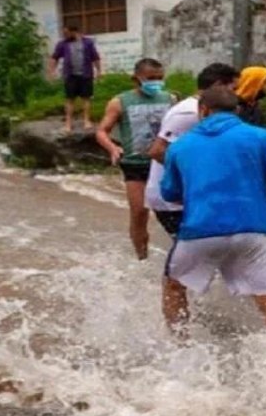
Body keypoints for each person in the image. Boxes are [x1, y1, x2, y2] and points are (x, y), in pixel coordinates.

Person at [160, 87, 266, 334]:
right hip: (255, 231)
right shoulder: (262, 137)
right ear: (238, 110)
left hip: (199, 231)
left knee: (174, 286)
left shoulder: (180, 146)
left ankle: (180, 343)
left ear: (203, 110)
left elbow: (169, 194)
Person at [145, 62, 240, 333]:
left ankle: (201, 318)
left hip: (189, 197)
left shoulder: (206, 113)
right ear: (218, 86)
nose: (237, 93)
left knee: (209, 257)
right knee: (187, 264)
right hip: (174, 200)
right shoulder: (187, 113)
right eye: (233, 87)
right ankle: (180, 333)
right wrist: (198, 181)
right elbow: (158, 150)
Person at [95, 59, 175, 261]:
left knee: (175, 210)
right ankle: (142, 257)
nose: (156, 82)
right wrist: (113, 147)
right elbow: (101, 131)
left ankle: (180, 254)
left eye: (160, 78)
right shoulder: (120, 102)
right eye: (151, 79)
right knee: (139, 212)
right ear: (136, 79)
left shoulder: (171, 99)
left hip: (164, 162)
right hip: (134, 164)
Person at [48, 24, 102, 132]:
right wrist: (51, 71)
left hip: (86, 74)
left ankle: (86, 120)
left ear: (75, 32)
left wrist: (99, 71)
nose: (65, 35)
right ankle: (68, 123)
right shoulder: (62, 44)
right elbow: (54, 58)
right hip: (70, 76)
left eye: (67, 33)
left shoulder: (88, 43)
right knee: (69, 99)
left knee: (86, 98)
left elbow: (95, 57)